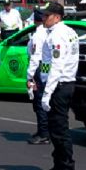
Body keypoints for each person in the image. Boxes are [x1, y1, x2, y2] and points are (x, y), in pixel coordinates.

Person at [35, 2, 79, 170]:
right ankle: (58, 165)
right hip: (63, 84)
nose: (43, 18)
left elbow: (56, 67)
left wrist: (47, 93)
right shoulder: (66, 32)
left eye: (47, 15)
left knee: (60, 130)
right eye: (43, 15)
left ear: (58, 17)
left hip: (59, 86)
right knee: (55, 129)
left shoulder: (58, 36)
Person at [25, 9, 50, 145]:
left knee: (39, 101)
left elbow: (35, 57)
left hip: (38, 68)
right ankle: (44, 131)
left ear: (35, 20)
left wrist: (30, 76)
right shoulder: (47, 32)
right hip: (46, 68)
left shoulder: (38, 35)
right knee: (44, 100)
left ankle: (43, 134)